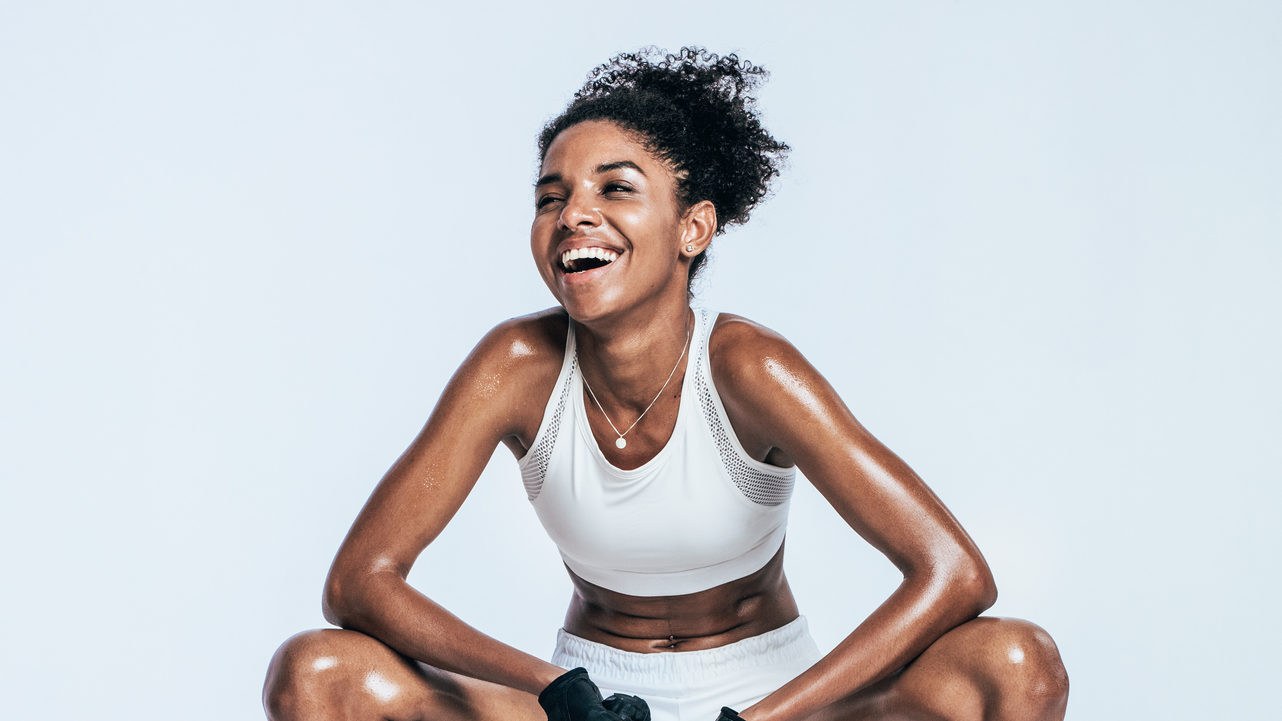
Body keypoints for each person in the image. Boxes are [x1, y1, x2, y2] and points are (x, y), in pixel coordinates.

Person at [263, 47, 1069, 721]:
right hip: (587, 701)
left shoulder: (751, 368)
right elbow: (360, 580)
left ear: (693, 228)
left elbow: (953, 571)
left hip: (771, 699)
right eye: (552, 196)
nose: (575, 213)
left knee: (1013, 661)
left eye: (615, 188)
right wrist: (554, 688)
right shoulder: (514, 367)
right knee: (316, 673)